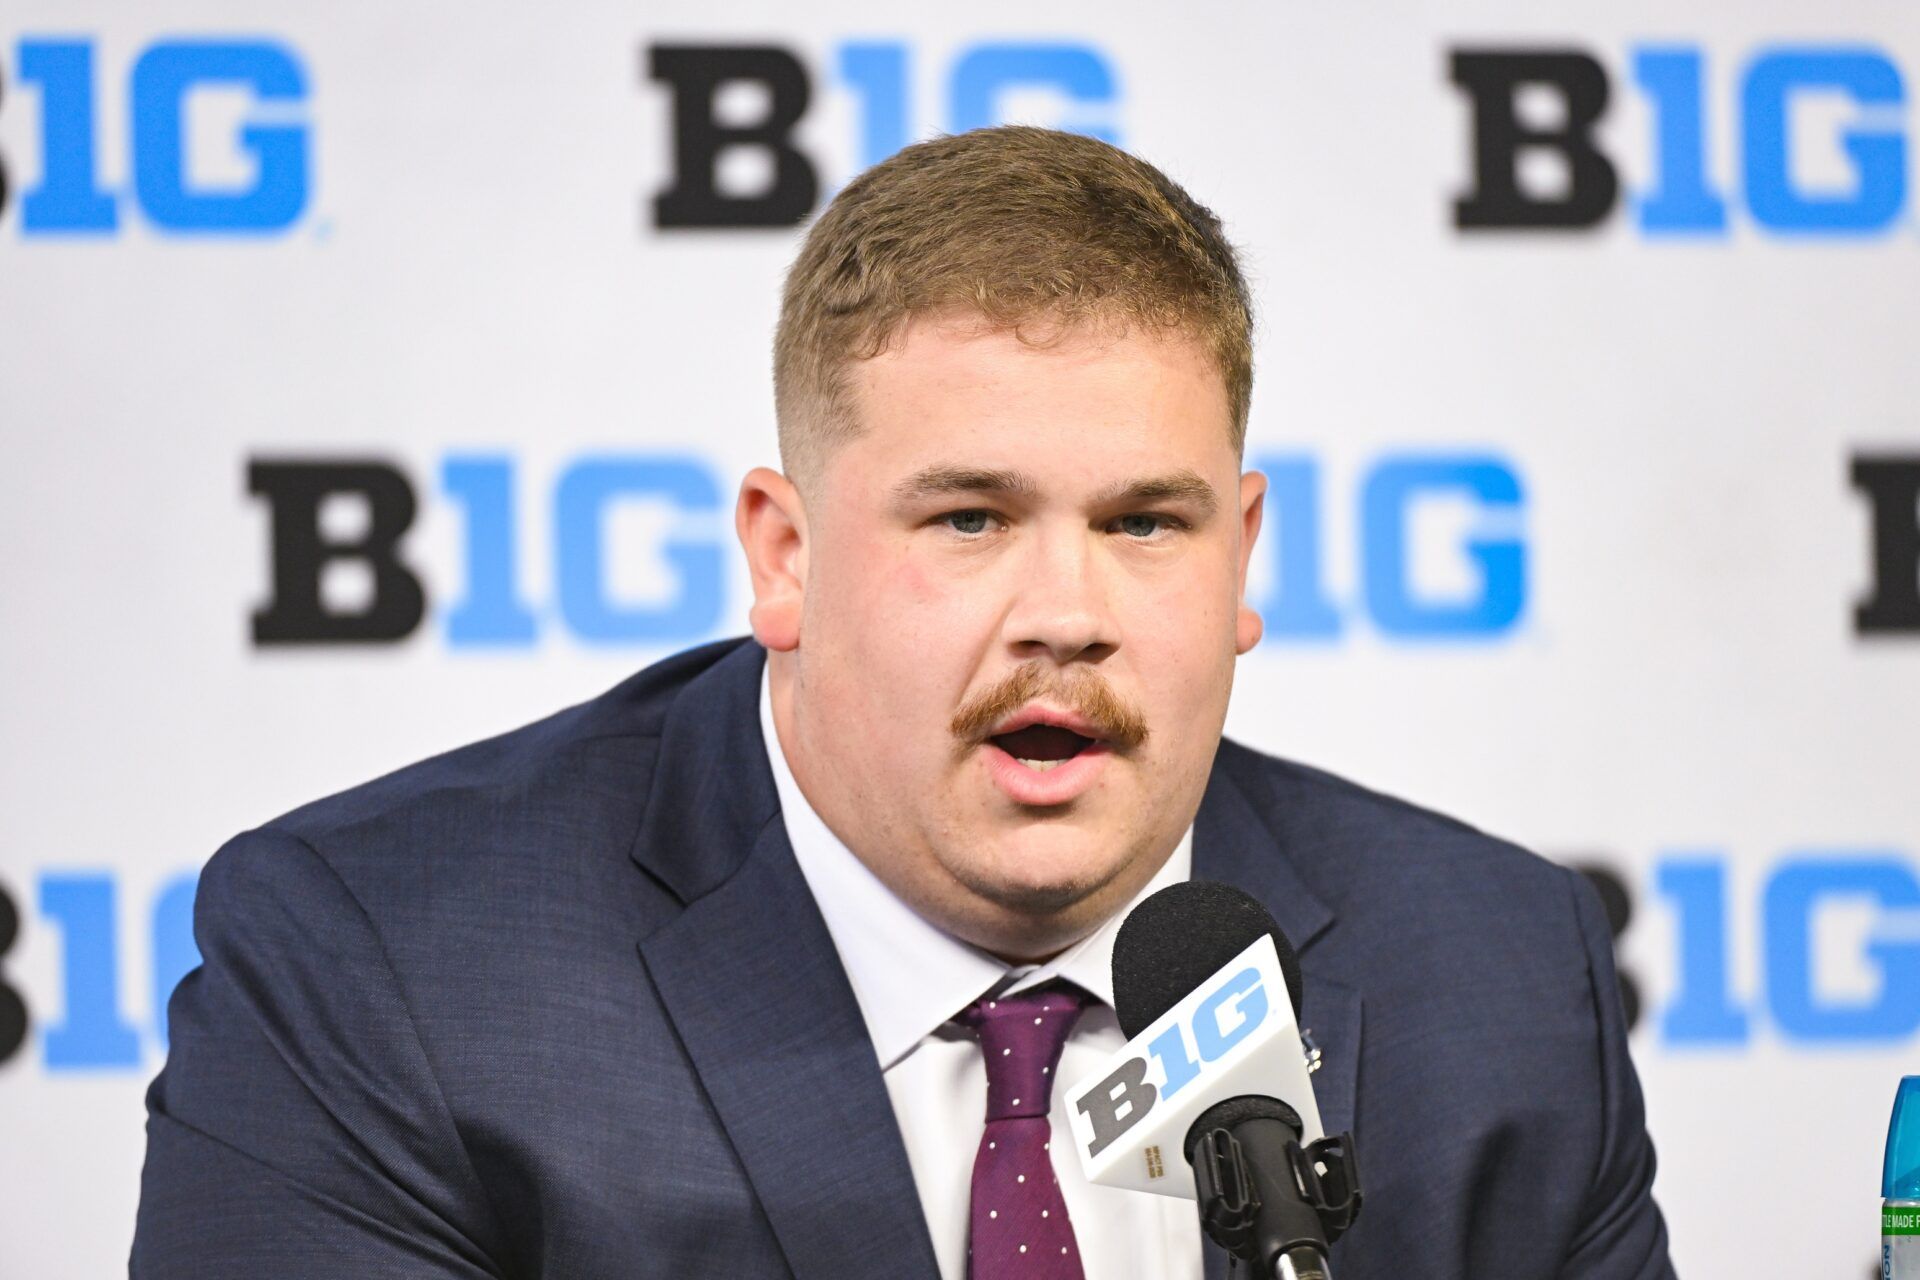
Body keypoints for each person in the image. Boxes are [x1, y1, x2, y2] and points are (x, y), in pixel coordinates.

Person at [131, 126, 1674, 1279]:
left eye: (1147, 522)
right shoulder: (395, 969)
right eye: (969, 519)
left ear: (1242, 554)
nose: (1067, 616)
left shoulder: (1496, 980)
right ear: (785, 558)